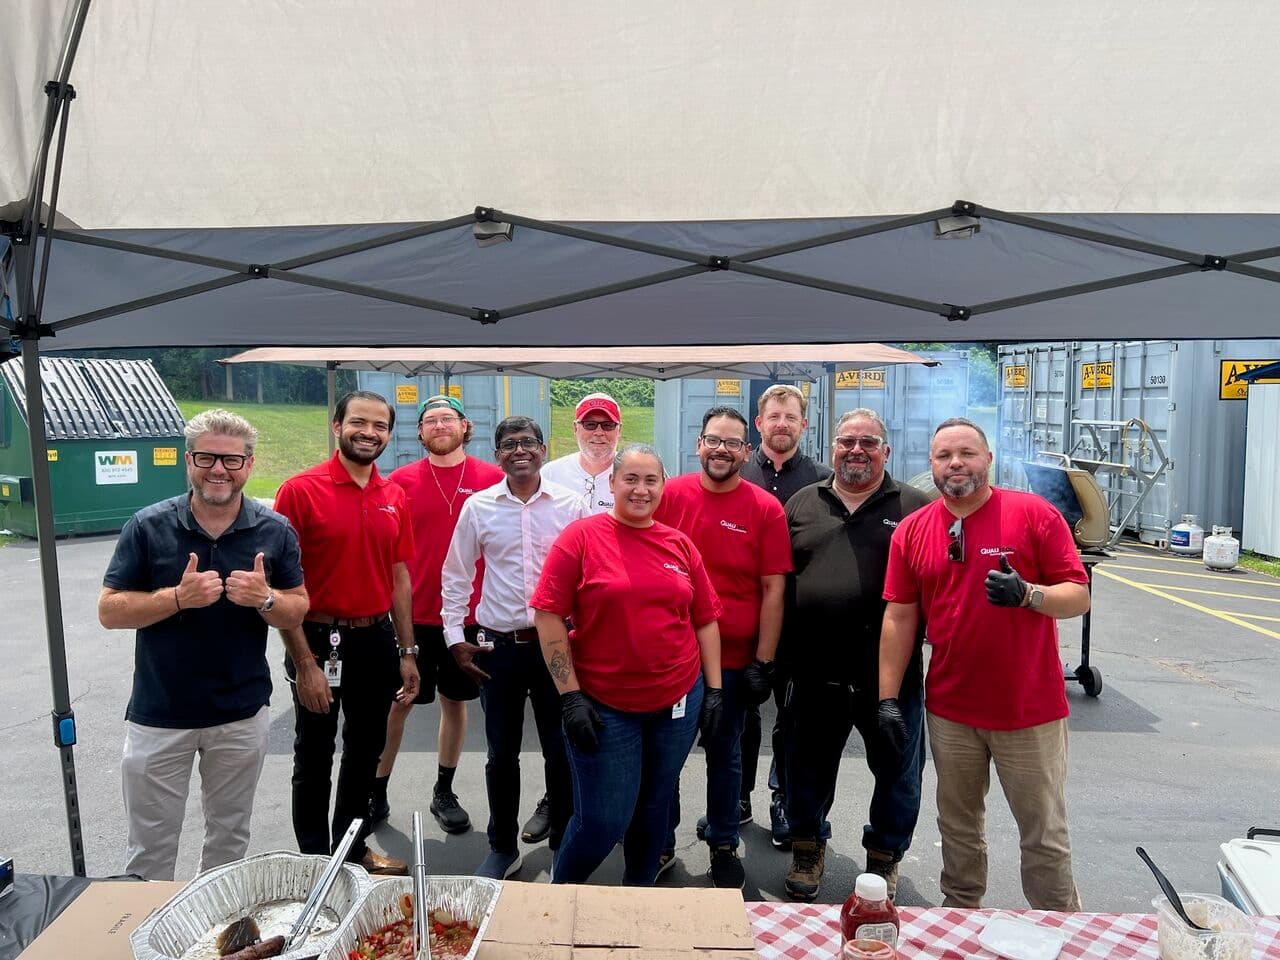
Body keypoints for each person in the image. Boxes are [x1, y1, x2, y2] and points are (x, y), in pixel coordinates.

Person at [879, 417, 1091, 910]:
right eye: (944, 455)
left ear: (988, 459)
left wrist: (1029, 594)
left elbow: (1077, 594)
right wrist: (888, 698)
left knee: (1043, 834)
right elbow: (900, 616)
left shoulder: (1033, 514)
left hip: (1028, 711)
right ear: (930, 465)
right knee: (957, 827)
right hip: (952, 711)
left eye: (967, 453)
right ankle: (961, 916)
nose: (956, 463)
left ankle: (1061, 924)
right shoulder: (912, 531)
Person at [98, 409, 309, 880]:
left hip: (240, 713)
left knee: (229, 839)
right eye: (207, 457)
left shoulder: (274, 530)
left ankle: (217, 948)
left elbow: (297, 608)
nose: (219, 470)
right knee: (150, 848)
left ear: (249, 465)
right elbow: (109, 610)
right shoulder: (148, 526)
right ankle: (150, 945)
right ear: (188, 461)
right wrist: (176, 598)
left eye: (232, 460)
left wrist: (266, 599)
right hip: (160, 715)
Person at [531, 443, 725, 885]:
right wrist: (570, 696)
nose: (640, 489)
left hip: (675, 703)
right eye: (630, 479)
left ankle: (638, 892)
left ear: (663, 486)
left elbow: (706, 620)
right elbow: (548, 615)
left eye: (650, 480)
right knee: (603, 818)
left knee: (655, 805)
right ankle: (559, 897)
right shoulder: (580, 538)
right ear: (613, 483)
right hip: (604, 705)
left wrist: (713, 691)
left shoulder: (679, 544)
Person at [780, 408, 931, 902]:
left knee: (898, 775)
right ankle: (807, 848)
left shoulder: (914, 506)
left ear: (886, 452)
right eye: (848, 442)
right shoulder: (803, 503)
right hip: (814, 673)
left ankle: (884, 860)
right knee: (805, 769)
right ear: (833, 449)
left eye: (869, 442)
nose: (857, 451)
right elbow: (777, 586)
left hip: (889, 679)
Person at [273, 391, 420, 876]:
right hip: (315, 638)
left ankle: (351, 852)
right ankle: (315, 862)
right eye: (359, 422)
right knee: (313, 754)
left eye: (380, 426)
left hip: (375, 639)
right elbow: (280, 586)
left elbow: (398, 576)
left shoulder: (393, 494)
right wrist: (304, 664)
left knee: (364, 753)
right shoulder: (300, 490)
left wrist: (407, 651)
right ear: (337, 426)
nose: (369, 433)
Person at [440, 416, 584, 879]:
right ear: (497, 453)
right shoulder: (479, 508)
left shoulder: (571, 504)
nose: (519, 450)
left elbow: (589, 574)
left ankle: (564, 841)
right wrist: (454, 639)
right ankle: (502, 847)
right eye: (508, 444)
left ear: (544, 449)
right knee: (501, 754)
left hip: (554, 649)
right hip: (496, 649)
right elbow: (456, 575)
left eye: (528, 442)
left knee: (559, 750)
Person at [654, 406, 791, 888]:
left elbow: (774, 588)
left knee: (725, 754)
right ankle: (661, 840)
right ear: (698, 445)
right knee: (666, 755)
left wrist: (764, 661)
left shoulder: (764, 508)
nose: (721, 450)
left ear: (745, 452)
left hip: (733, 662)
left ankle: (723, 841)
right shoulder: (669, 495)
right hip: (669, 658)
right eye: (714, 440)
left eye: (732, 443)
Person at [368, 395, 503, 836]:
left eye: (448, 418)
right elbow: (384, 553)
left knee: (455, 702)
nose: (439, 425)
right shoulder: (399, 482)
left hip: (470, 616)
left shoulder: (493, 479)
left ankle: (443, 790)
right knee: (398, 702)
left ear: (465, 427)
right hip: (415, 613)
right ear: (421, 433)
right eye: (430, 420)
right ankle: (377, 789)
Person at [739, 383, 833, 849]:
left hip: (798, 624)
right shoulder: (736, 472)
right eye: (773, 416)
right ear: (759, 424)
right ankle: (737, 796)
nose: (781, 424)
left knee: (791, 720)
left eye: (790, 417)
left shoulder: (823, 479)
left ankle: (783, 799)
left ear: (803, 424)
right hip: (741, 619)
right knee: (741, 716)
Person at [541, 392, 622, 516]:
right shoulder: (550, 474)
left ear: (619, 430)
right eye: (590, 425)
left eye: (607, 425)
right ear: (575, 428)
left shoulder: (638, 474)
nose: (599, 432)